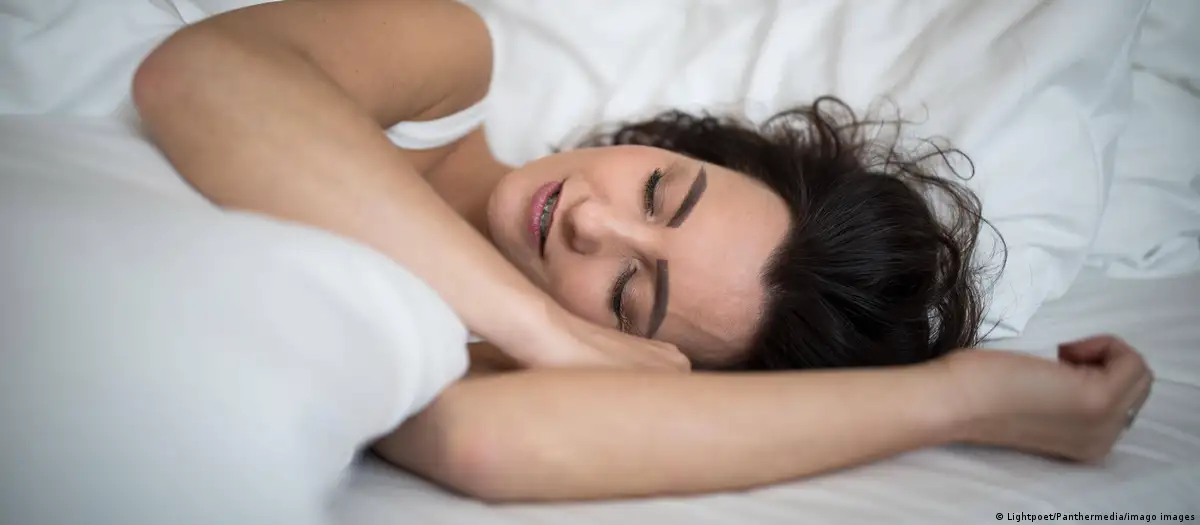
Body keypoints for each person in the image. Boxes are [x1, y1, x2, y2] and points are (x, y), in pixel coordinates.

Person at [132, 0, 1153, 502]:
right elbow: (205, 75)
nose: (590, 221)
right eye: (661, 192)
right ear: (664, 146)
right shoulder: (451, 69)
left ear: (642, 364)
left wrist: (962, 399)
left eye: (628, 294)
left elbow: (485, 449)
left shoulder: (467, 366)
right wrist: (546, 325)